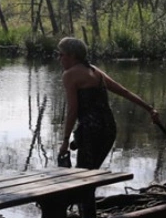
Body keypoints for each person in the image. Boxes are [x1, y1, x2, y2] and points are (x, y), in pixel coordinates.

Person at [57, 36, 160, 171]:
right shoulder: (95, 71)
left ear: (73, 55)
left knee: (83, 175)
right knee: (91, 172)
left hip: (91, 130)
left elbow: (72, 110)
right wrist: (149, 109)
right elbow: (124, 91)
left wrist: (65, 140)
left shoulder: (70, 74)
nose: (59, 58)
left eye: (61, 54)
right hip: (109, 129)